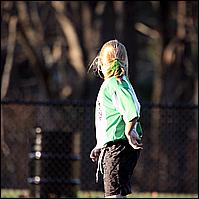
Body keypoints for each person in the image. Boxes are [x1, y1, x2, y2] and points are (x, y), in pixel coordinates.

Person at [88, 39, 143, 198]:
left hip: (118, 149)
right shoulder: (123, 82)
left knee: (113, 195)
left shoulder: (114, 83)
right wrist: (100, 145)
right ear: (125, 62)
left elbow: (132, 111)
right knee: (118, 193)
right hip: (117, 147)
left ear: (102, 64)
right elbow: (110, 120)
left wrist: (128, 131)